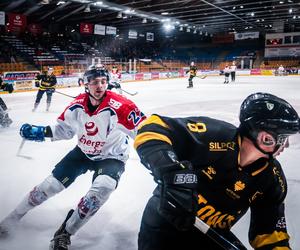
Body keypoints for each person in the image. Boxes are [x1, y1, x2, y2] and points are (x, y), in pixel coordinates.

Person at [0, 65, 146, 250]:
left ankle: (65, 233)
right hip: (83, 152)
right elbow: (64, 130)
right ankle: (12, 219)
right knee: (48, 187)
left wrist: (156, 152)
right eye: (94, 82)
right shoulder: (77, 104)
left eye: (103, 81)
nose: (99, 86)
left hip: (112, 156)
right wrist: (39, 132)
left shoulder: (122, 106)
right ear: (85, 84)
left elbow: (144, 130)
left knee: (101, 190)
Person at [133, 92, 299, 250]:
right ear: (263, 137)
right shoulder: (214, 135)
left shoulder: (272, 179)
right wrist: (173, 172)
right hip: (163, 224)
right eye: (282, 138)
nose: (285, 146)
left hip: (211, 236)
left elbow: (270, 232)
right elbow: (152, 127)